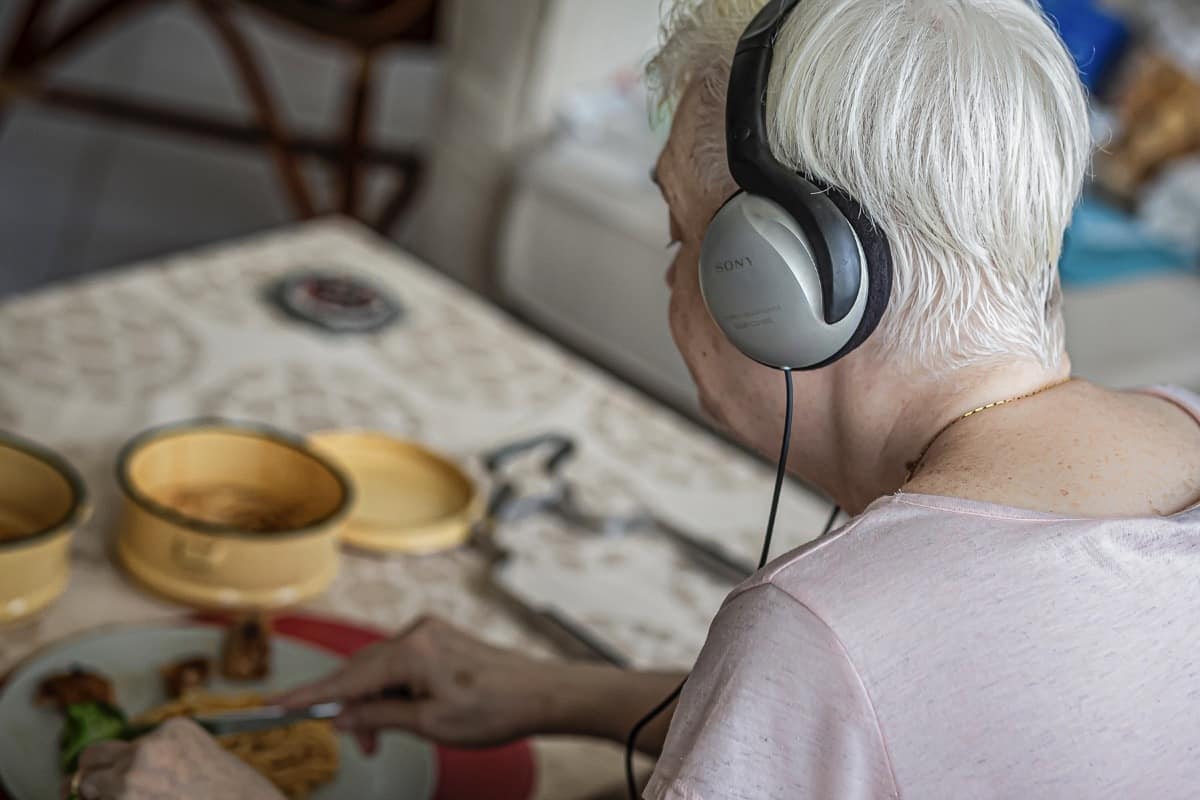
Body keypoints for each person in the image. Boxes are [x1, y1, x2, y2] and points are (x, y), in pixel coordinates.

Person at [71, 0, 1200, 798]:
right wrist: (558, 691)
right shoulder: (1180, 429)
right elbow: (930, 735)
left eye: (687, 233)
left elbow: (861, 682)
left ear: (788, 286)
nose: (678, 274)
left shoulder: (826, 634)